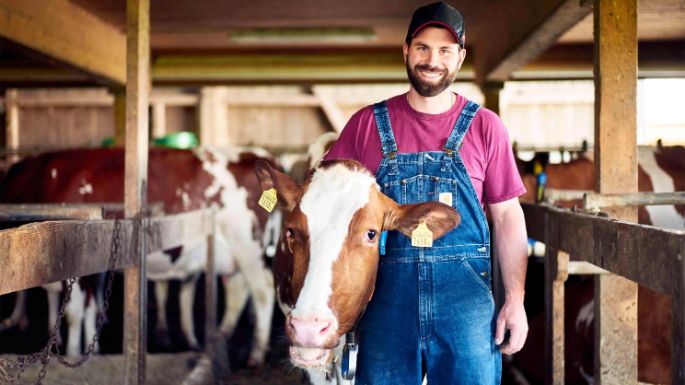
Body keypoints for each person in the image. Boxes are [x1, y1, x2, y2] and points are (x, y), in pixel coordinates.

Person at [323, 2, 529, 384]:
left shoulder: (486, 127)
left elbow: (507, 216)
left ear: (460, 57)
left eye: (445, 51)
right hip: (384, 301)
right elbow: (327, 210)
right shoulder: (365, 125)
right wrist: (328, 302)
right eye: (422, 48)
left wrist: (515, 300)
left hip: (465, 306)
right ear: (405, 50)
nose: (432, 60)